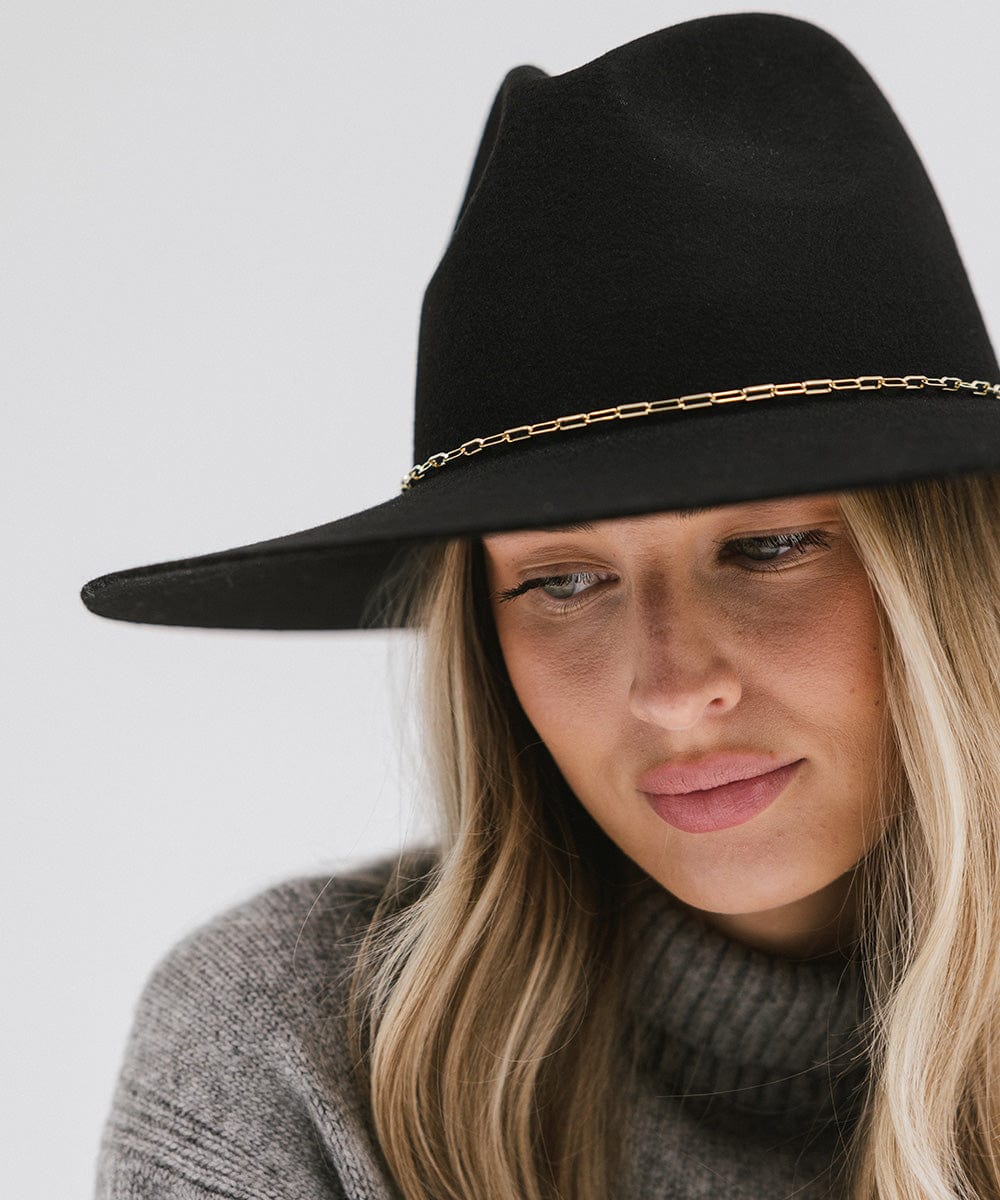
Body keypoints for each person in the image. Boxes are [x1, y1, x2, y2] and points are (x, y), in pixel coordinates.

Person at [80, 13, 1000, 1200]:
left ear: (950, 577)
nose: (671, 689)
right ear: (481, 628)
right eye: (560, 583)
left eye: (768, 546)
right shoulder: (300, 1049)